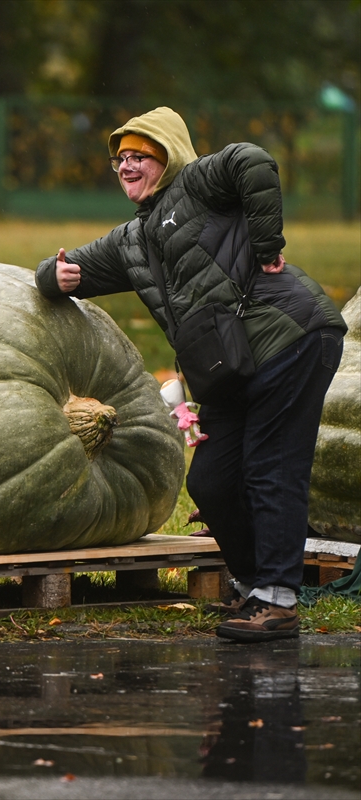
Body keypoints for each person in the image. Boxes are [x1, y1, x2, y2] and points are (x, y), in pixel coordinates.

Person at [35, 106, 346, 643]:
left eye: (140, 155)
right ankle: (253, 585)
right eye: (120, 158)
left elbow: (254, 160)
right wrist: (54, 275)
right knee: (211, 481)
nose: (127, 166)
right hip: (229, 367)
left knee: (270, 468)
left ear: (169, 157)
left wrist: (267, 244)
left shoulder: (200, 183)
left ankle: (277, 601)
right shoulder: (131, 240)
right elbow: (67, 268)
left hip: (290, 338)